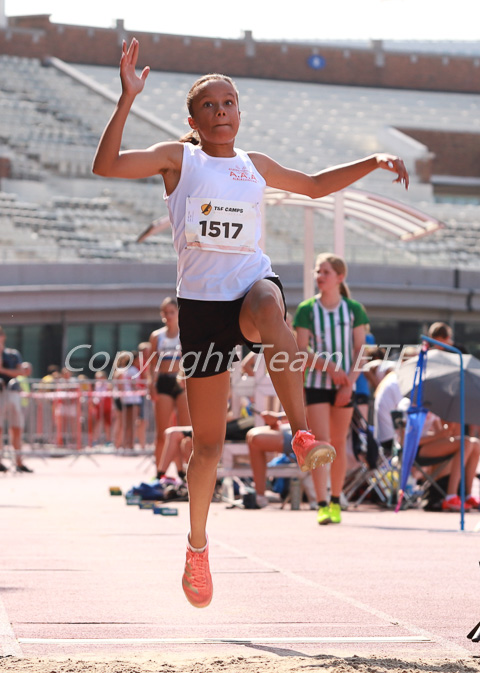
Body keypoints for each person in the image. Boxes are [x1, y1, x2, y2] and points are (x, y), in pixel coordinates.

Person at [92, 37, 409, 607]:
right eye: (209, 106)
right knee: (208, 447)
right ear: (193, 119)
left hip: (248, 290)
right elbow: (106, 165)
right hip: (201, 310)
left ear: (240, 112)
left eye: (229, 103)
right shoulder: (178, 159)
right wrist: (126, 100)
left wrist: (374, 161)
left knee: (269, 304)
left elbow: (312, 185)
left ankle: (301, 431)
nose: (221, 113)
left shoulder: (253, 166)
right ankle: (196, 548)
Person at [294, 254, 369, 525]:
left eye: (325, 271)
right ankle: (321, 502)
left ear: (339, 277)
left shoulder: (353, 309)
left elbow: (361, 349)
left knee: (338, 443)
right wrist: (329, 367)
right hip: (316, 384)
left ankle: (336, 501)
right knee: (320, 443)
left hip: (344, 387)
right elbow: (301, 351)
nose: (320, 275)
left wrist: (349, 381)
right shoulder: (306, 309)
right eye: (317, 271)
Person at [146, 297, 189, 477]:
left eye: (172, 312)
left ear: (178, 313)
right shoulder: (157, 336)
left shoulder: (186, 333)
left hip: (183, 382)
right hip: (164, 381)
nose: (169, 316)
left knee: (185, 432)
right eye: (165, 312)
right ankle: (160, 473)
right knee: (162, 433)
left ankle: (184, 472)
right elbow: (151, 362)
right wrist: (151, 382)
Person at [0, 327, 33, 473]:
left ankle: (19, 462)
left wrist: (3, 371)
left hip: (12, 393)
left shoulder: (13, 354)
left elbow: (20, 372)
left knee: (17, 428)